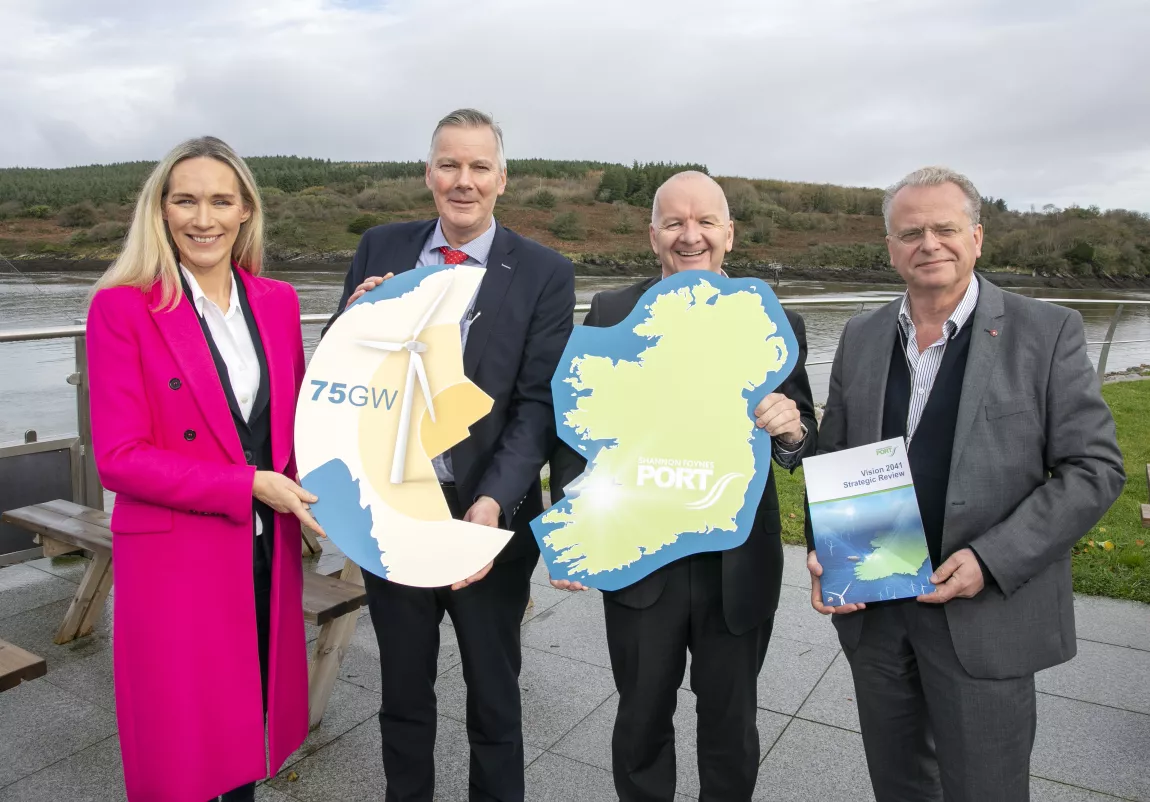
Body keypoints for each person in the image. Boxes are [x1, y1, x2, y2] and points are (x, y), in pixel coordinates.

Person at [806, 166, 1125, 801]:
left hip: (985, 614)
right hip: (875, 611)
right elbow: (839, 454)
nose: (930, 244)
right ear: (891, 247)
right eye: (911, 232)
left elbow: (1096, 469)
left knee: (987, 790)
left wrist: (991, 559)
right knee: (898, 786)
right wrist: (828, 551)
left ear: (977, 237)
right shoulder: (860, 335)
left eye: (946, 229)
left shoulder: (1047, 331)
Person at [549, 171, 817, 801]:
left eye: (704, 222)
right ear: (653, 236)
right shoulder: (613, 311)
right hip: (642, 564)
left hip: (738, 565)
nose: (689, 236)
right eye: (674, 222)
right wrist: (573, 526)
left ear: (730, 232)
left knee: (731, 726)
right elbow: (574, 429)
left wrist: (791, 429)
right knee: (641, 720)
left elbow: (803, 439)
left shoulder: (779, 319)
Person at [333, 108, 575, 802]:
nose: (461, 181)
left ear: (501, 178)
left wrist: (493, 503)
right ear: (428, 172)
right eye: (448, 164)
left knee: (494, 697)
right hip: (394, 508)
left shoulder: (543, 273)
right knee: (402, 692)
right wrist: (352, 318)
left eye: (477, 167)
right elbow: (337, 372)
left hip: (487, 515)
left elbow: (537, 405)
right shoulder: (382, 246)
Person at [86, 136, 324, 801]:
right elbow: (119, 459)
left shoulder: (275, 301)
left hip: (263, 555)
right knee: (183, 750)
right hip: (175, 560)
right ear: (160, 210)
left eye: (221, 200)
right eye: (185, 200)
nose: (203, 219)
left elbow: (295, 425)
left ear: (246, 209)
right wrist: (249, 484)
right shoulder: (122, 306)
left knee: (248, 734)